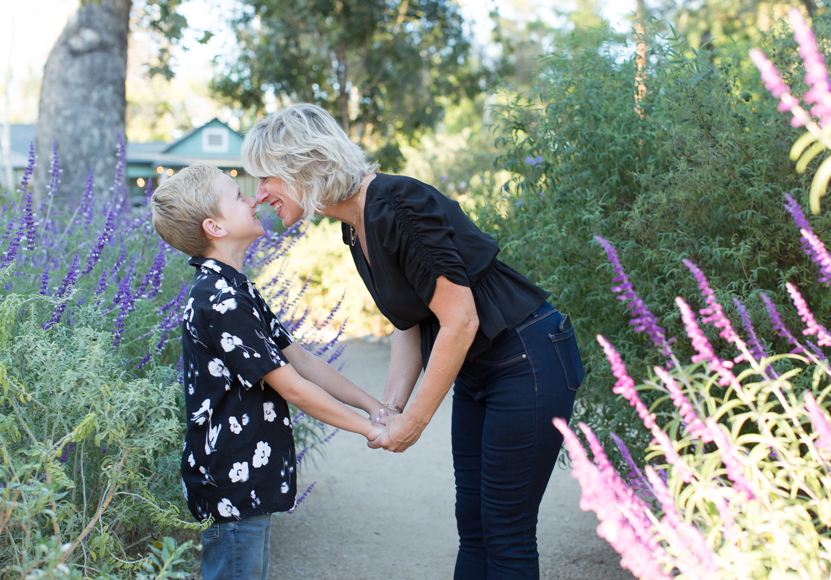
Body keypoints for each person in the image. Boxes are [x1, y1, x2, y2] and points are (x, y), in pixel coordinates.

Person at [242, 103, 585, 580]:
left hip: (526, 360)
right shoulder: (355, 225)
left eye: (265, 178)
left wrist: (413, 425)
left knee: (506, 535)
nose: (258, 195)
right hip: (481, 372)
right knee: (475, 529)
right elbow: (409, 322)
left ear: (302, 164)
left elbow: (460, 321)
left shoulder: (395, 202)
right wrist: (392, 409)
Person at [150, 164, 387, 580]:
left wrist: (375, 408)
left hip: (248, 483)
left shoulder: (237, 289)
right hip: (231, 486)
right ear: (214, 227)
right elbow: (293, 388)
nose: (254, 197)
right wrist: (369, 430)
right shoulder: (219, 300)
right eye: (237, 196)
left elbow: (304, 361)